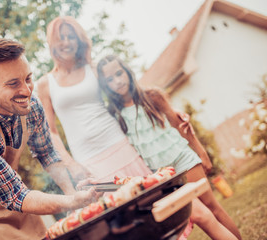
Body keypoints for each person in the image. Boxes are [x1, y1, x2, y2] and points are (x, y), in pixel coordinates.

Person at [0, 38, 100, 240]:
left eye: (28, 78)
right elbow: (16, 196)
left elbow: (47, 154)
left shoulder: (31, 106)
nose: (26, 90)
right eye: (13, 83)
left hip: (10, 187)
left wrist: (72, 195)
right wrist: (71, 202)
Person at [96, 54, 242, 240]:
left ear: (127, 72)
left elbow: (180, 125)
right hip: (162, 176)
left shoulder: (152, 96)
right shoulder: (114, 115)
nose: (117, 81)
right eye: (109, 79)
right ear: (105, 85)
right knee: (198, 216)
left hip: (183, 160)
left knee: (213, 208)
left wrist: (201, 152)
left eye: (119, 74)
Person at [37, 16, 152, 184]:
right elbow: (51, 132)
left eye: (71, 37)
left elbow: (128, 93)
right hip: (86, 159)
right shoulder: (45, 84)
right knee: (117, 206)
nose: (67, 42)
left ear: (79, 41)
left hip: (119, 144)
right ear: (52, 43)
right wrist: (71, 164)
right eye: (61, 38)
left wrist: (165, 109)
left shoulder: (93, 69)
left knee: (149, 194)